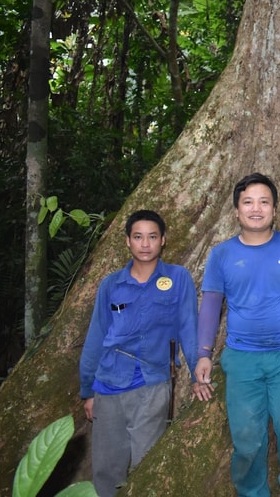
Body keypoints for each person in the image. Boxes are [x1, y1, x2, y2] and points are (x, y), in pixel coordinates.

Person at [195, 173, 280, 497]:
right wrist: (203, 353)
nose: (256, 208)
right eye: (248, 202)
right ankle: (253, 493)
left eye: (264, 202)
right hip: (242, 359)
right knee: (247, 438)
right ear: (236, 211)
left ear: (275, 209)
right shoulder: (221, 255)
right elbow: (211, 305)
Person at [80, 209, 211, 497]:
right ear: (128, 241)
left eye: (152, 237)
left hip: (153, 383)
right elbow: (96, 336)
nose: (145, 244)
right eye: (138, 237)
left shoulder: (178, 279)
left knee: (147, 464)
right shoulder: (111, 285)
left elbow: (189, 328)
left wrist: (197, 375)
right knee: (106, 468)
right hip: (109, 385)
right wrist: (87, 390)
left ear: (163, 240)